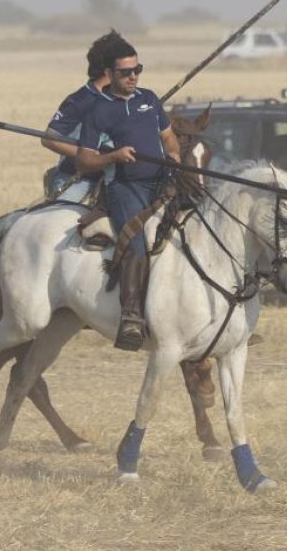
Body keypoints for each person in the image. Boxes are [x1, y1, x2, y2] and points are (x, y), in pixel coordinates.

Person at [74, 41, 181, 351]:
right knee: (136, 242)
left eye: (137, 69)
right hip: (124, 188)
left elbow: (169, 139)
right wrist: (113, 156)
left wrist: (174, 155)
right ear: (109, 74)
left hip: (161, 183)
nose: (133, 76)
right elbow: (83, 160)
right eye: (125, 72)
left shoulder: (149, 99)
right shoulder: (98, 111)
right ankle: (131, 316)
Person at [40, 30, 130, 203]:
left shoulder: (129, 99)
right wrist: (89, 156)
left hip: (119, 179)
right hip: (79, 180)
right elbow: (49, 139)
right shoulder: (80, 100)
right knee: (66, 215)